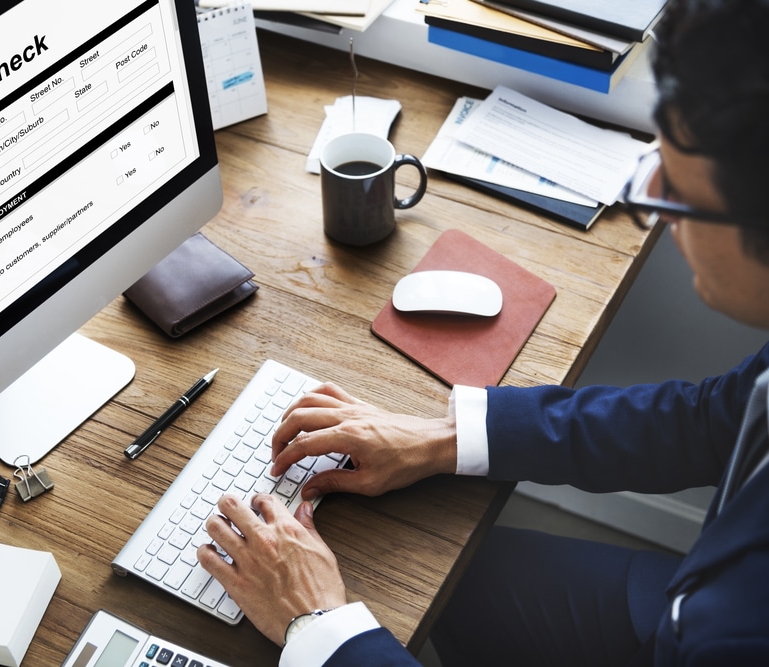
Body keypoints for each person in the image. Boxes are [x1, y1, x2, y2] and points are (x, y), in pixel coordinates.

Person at [195, 0, 769, 664]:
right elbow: (709, 421)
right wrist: (446, 437)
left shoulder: (738, 637)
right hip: (684, 600)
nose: (660, 218)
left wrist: (318, 623)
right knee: (450, 576)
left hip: (694, 629)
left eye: (676, 195)